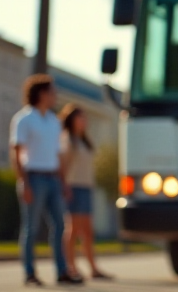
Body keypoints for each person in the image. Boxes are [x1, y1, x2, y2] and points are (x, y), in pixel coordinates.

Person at [10, 74, 82, 286]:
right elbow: (16, 152)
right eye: (52, 92)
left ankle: (62, 271)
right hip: (34, 177)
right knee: (31, 228)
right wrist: (24, 182)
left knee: (60, 224)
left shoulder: (53, 121)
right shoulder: (24, 119)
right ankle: (30, 273)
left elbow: (58, 155)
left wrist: (64, 182)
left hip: (53, 179)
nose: (55, 95)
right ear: (41, 93)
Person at [59, 104, 112, 281]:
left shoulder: (85, 141)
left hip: (86, 187)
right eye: (80, 118)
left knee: (88, 231)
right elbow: (63, 166)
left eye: (84, 118)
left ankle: (93, 268)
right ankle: (71, 267)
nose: (83, 121)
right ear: (71, 120)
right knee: (73, 229)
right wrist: (64, 186)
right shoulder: (67, 140)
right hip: (73, 187)